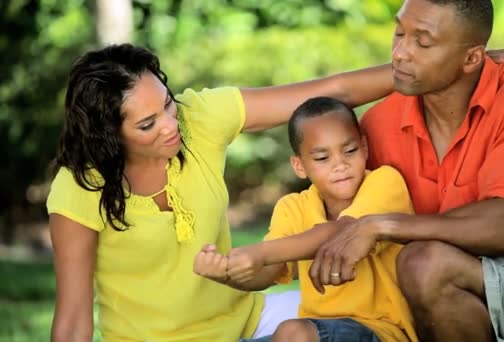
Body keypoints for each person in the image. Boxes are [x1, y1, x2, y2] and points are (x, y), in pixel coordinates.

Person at [46, 43, 397, 342]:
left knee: (343, 322)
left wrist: (421, 69)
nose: (171, 126)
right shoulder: (81, 185)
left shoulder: (197, 118)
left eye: (167, 104)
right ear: (109, 135)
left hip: (251, 321)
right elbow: (74, 319)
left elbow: (335, 92)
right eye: (147, 124)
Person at [307, 1, 504, 341]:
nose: (400, 53)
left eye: (422, 42)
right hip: (434, 300)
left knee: (426, 264)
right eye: (399, 32)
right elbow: (340, 219)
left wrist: (383, 225)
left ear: (471, 58)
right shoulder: (379, 125)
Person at [194, 96, 417, 342]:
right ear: (299, 166)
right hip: (314, 330)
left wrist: (260, 253)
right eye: (323, 158)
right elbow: (268, 273)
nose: (340, 165)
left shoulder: (384, 182)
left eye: (350, 151)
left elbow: (343, 230)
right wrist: (227, 273)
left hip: (380, 330)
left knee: (293, 332)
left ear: (364, 148)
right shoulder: (292, 208)